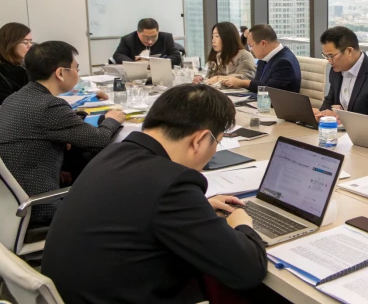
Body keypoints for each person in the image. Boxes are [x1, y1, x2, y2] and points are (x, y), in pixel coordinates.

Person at [41, 84, 267, 303]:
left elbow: (141, 210)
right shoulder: (171, 183)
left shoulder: (116, 153)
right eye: (217, 141)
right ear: (199, 139)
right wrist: (241, 224)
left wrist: (197, 208)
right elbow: (248, 270)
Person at [0, 41, 126, 225]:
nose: (77, 73)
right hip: (38, 206)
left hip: (7, 200)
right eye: (76, 68)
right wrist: (113, 119)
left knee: (80, 157)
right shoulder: (49, 106)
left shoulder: (17, 97)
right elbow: (99, 140)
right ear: (60, 73)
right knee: (114, 183)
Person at [315, 26, 368, 121]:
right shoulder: (336, 70)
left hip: (365, 133)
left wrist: (347, 119)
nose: (329, 60)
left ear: (349, 51)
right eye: (326, 56)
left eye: (331, 56)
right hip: (337, 130)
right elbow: (330, 100)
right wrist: (325, 113)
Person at [222, 24, 301, 93]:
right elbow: (257, 83)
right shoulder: (265, 58)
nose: (250, 50)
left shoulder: (284, 63)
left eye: (251, 46)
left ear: (263, 44)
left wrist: (241, 83)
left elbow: (268, 91)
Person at [113, 18, 181, 66]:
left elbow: (176, 56)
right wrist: (135, 64)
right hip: (137, 76)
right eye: (146, 37)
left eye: (154, 37)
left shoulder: (166, 38)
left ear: (158, 32)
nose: (150, 41)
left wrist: (157, 63)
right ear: (138, 33)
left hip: (160, 73)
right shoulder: (128, 39)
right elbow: (118, 55)